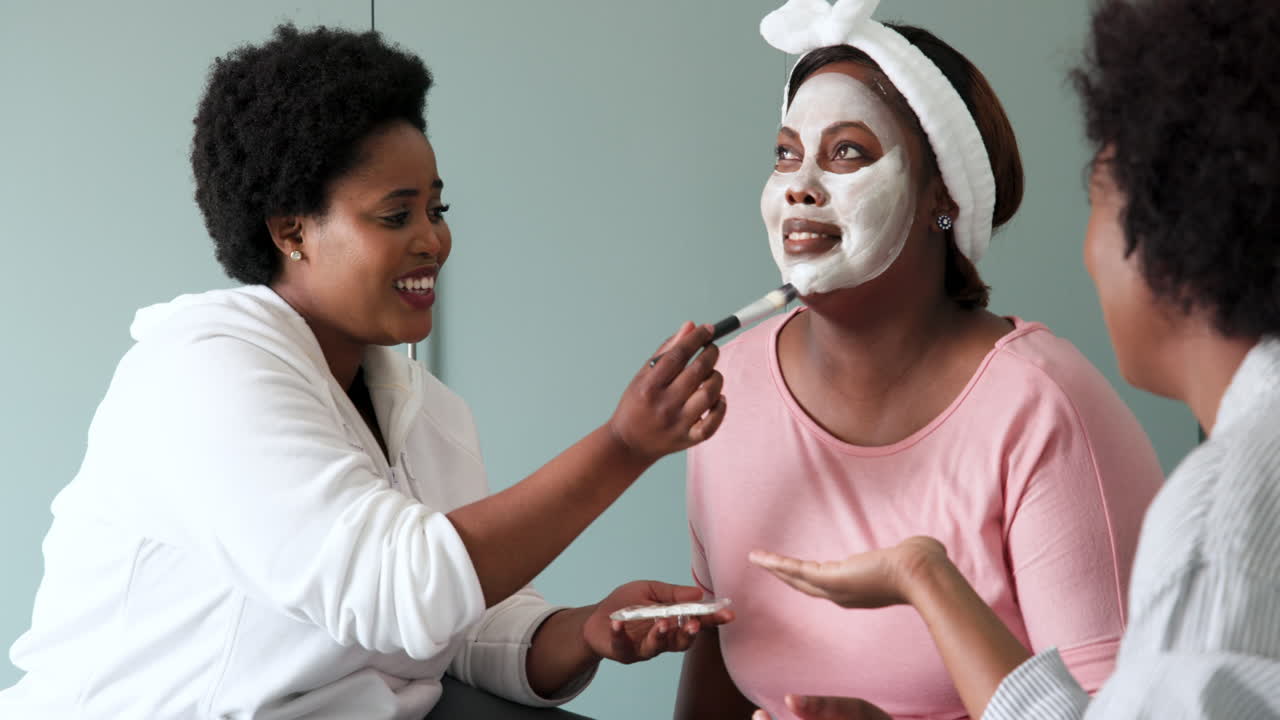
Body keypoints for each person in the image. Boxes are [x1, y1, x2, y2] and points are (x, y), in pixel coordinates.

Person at [0, 25, 732, 719]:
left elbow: (461, 628)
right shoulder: (202, 375)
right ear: (291, 231)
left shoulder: (423, 407)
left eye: (437, 209)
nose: (434, 241)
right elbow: (401, 588)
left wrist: (588, 630)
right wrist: (624, 446)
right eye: (395, 216)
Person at [749, 0, 1280, 717]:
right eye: (785, 152)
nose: (1088, 252)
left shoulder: (1218, 526)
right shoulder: (729, 388)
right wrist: (925, 575)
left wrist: (924, 579)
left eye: (1097, 197)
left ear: (1180, 226)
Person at [675, 1, 1164, 718]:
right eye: (786, 152)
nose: (801, 184)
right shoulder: (729, 389)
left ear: (943, 196)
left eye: (848, 152)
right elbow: (718, 656)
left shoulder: (1045, 408)